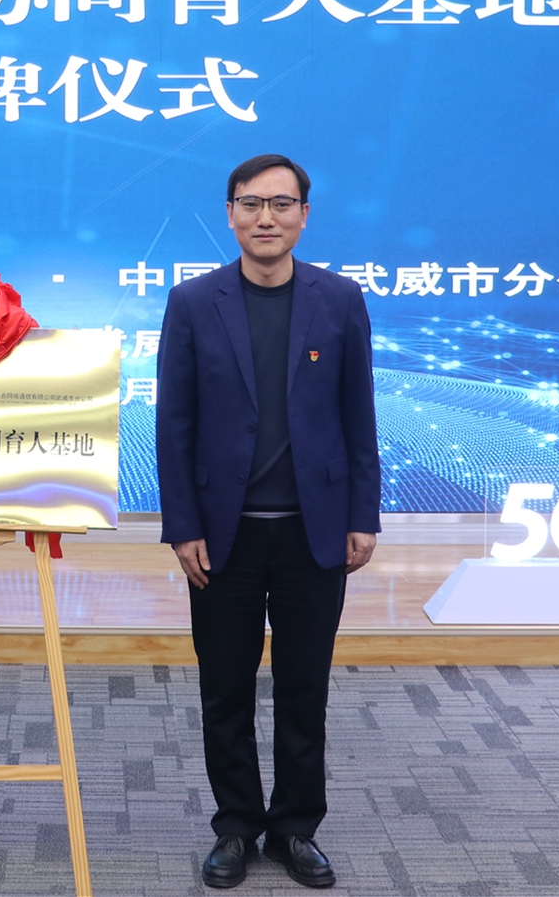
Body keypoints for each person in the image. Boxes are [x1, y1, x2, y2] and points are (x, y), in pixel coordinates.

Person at [156, 154, 382, 890]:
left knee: (302, 689)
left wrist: (363, 513)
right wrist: (182, 525)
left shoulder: (338, 298)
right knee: (224, 689)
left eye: (281, 204)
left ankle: (294, 830)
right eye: (251, 204)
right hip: (222, 537)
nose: (266, 218)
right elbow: (174, 424)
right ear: (229, 214)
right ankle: (234, 827)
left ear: (303, 216)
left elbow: (357, 413)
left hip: (313, 533)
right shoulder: (193, 301)